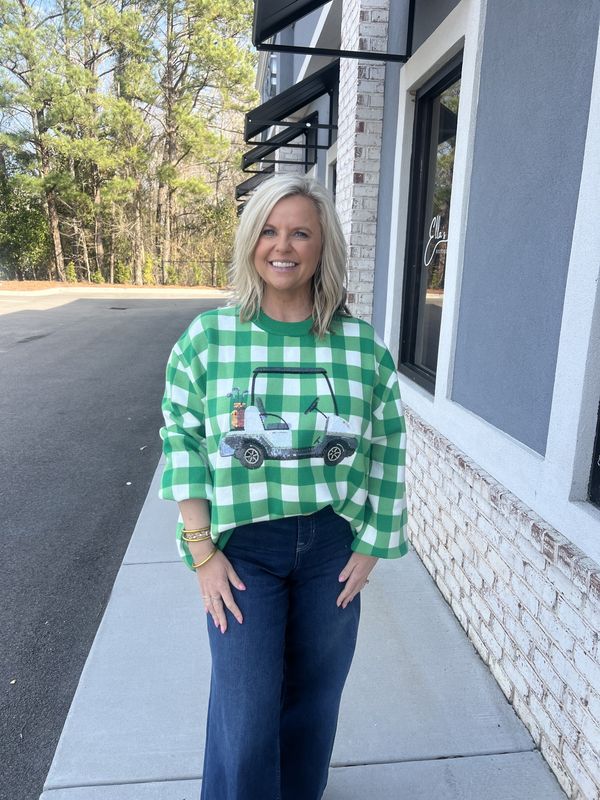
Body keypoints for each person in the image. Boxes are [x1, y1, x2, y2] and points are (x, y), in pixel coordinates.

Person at [159, 173, 409, 800]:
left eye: (301, 232)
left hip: (331, 544)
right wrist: (201, 551)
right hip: (244, 551)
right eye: (269, 230)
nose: (284, 245)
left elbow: (387, 446)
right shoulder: (208, 340)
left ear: (323, 247)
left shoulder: (360, 348)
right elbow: (182, 441)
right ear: (250, 241)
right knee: (243, 719)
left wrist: (374, 543)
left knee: (313, 706)